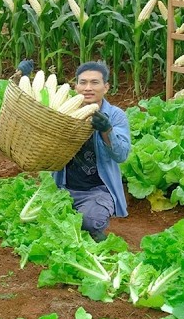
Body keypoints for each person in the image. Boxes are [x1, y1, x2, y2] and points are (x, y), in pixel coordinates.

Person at [20, 59, 132, 242]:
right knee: (32, 219)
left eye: (94, 82)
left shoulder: (115, 116)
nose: (88, 88)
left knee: (89, 221)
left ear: (106, 87)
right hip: (62, 187)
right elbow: (31, 109)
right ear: (76, 87)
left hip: (97, 191)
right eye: (83, 82)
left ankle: (94, 227)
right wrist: (22, 78)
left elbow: (121, 155)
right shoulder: (61, 110)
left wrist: (107, 130)